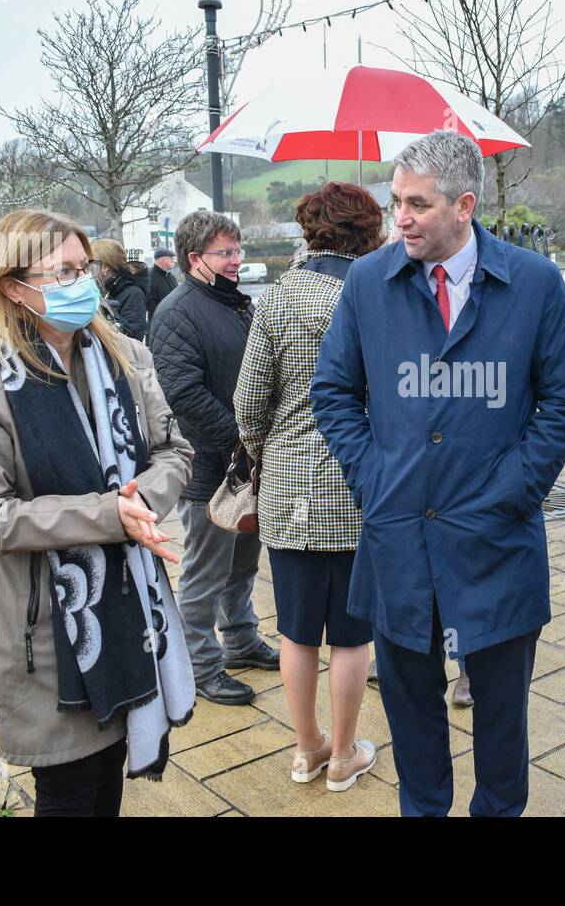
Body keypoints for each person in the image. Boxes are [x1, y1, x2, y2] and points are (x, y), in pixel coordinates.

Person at [312, 131, 565, 816]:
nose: (400, 217)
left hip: (497, 545)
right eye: (395, 200)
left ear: (466, 205)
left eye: (418, 203)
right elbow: (333, 394)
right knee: (412, 726)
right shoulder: (368, 286)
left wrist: (512, 493)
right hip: (398, 543)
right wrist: (374, 479)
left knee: (501, 731)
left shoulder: (533, 284)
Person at [0, 209, 195, 816]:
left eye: (84, 269)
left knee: (109, 778)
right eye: (60, 274)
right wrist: (108, 514)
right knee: (72, 791)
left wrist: (141, 502)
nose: (82, 286)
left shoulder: (121, 354)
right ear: (11, 286)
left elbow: (173, 451)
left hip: (131, 606)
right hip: (48, 625)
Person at [235, 182, 386, 790]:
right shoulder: (381, 295)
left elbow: (248, 405)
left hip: (291, 490)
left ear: (308, 229)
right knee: (352, 636)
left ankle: (306, 751)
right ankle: (345, 754)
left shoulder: (278, 298)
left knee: (295, 630)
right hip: (364, 483)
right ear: (370, 232)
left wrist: (269, 451)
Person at [150, 211, 279, 707]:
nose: (236, 261)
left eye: (238, 251)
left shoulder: (235, 305)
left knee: (243, 561)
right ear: (194, 260)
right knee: (205, 573)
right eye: (225, 253)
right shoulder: (177, 313)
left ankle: (242, 639)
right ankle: (201, 666)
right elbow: (183, 395)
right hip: (211, 469)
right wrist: (242, 437)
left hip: (246, 466)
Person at [93, 239, 147, 341]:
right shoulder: (102, 289)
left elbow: (135, 336)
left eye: (92, 263)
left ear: (104, 267)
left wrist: (106, 311)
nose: (87, 267)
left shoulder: (133, 293)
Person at [146, 247, 178, 321]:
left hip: (175, 319)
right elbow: (149, 302)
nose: (174, 261)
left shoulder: (171, 277)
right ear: (163, 261)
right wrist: (164, 316)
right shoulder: (149, 276)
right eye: (171, 259)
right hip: (159, 321)